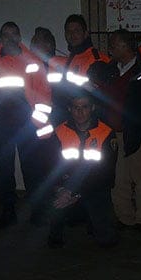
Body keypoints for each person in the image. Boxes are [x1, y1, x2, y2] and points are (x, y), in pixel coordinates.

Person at [0, 22, 53, 228]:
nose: (9, 38)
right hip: (1, 125)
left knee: (32, 169)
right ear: (0, 38)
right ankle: (8, 212)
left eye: (13, 34)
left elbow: (44, 94)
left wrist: (37, 122)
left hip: (27, 125)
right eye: (5, 34)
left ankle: (37, 211)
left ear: (19, 36)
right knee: (4, 171)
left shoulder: (33, 61)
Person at [46, 87, 117, 248]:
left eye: (84, 107)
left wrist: (75, 192)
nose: (80, 112)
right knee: (55, 201)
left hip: (95, 186)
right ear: (69, 109)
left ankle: (93, 223)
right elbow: (51, 166)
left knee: (107, 241)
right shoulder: (59, 131)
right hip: (66, 185)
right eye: (76, 107)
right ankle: (56, 234)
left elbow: (105, 173)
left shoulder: (106, 133)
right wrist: (61, 189)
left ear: (92, 108)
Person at [106, 29, 141, 230]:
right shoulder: (110, 70)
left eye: (113, 44)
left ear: (125, 45)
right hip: (113, 133)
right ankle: (124, 217)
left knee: (140, 178)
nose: (110, 48)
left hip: (136, 133)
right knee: (118, 178)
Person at [48, 15, 110, 121]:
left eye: (76, 31)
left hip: (90, 121)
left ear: (86, 33)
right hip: (72, 118)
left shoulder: (97, 59)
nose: (72, 35)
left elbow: (103, 97)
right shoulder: (71, 58)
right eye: (69, 31)